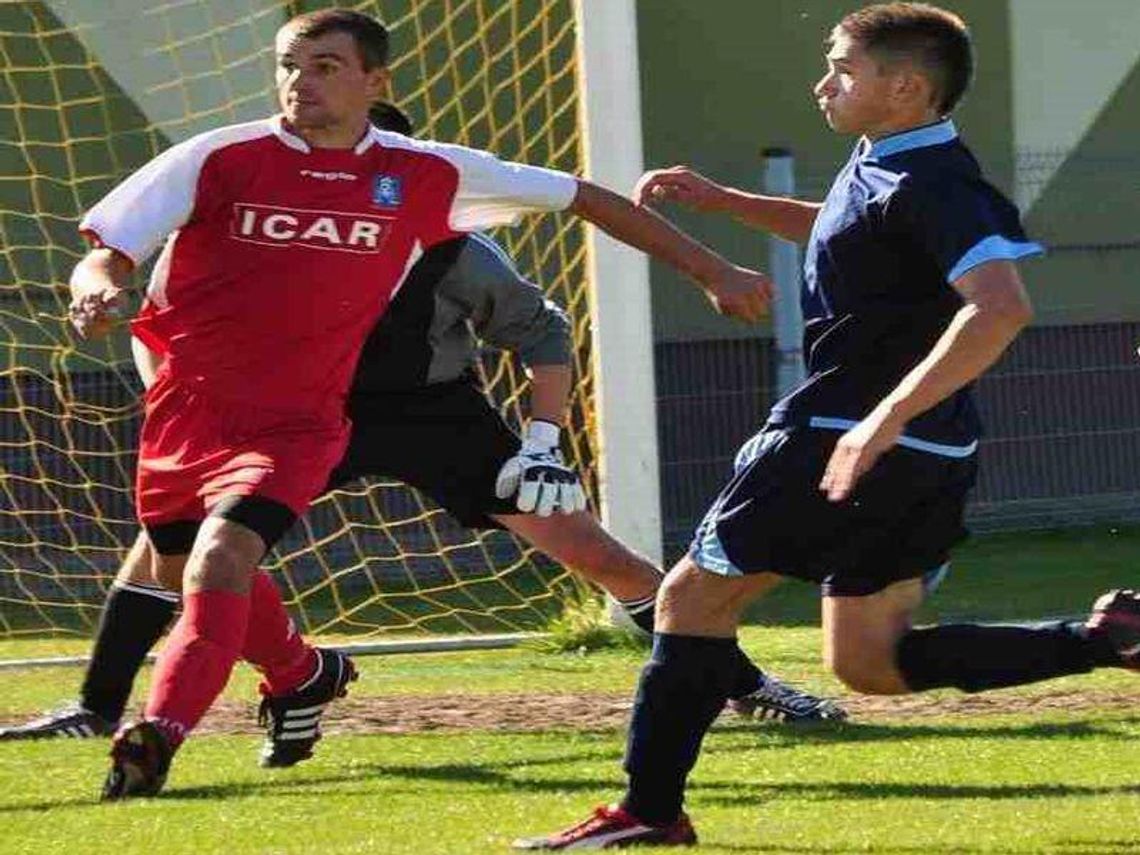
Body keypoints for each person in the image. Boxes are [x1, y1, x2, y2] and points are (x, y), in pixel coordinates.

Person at [66, 9, 773, 801]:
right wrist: (99, 290)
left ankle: (746, 681)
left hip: (377, 416)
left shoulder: (433, 183)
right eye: (290, 66)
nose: (302, 82)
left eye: (326, 66)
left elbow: (580, 214)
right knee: (179, 561)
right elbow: (108, 251)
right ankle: (260, 680)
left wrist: (712, 272)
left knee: (582, 549)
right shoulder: (219, 158)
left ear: (376, 81)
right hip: (210, 414)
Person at [515, 3, 1139, 848]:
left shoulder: (939, 185)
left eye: (843, 68)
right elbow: (847, 229)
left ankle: (648, 811)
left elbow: (1000, 308)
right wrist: (726, 202)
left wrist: (876, 421)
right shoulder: (885, 164)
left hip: (846, 436)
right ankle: (1108, 640)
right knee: (870, 662)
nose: (823, 83)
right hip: (926, 453)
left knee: (690, 598)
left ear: (906, 86)